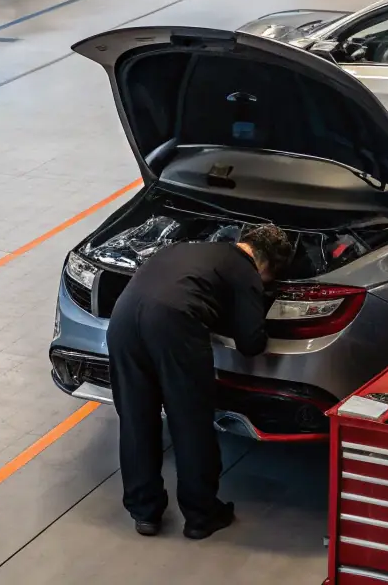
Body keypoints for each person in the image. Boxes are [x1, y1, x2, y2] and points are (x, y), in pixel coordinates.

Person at [108, 225, 295, 540]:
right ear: (267, 266)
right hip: (173, 325)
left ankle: (145, 513)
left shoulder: (188, 248)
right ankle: (201, 515)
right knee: (190, 420)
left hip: (123, 319)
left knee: (136, 418)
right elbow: (251, 343)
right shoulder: (245, 270)